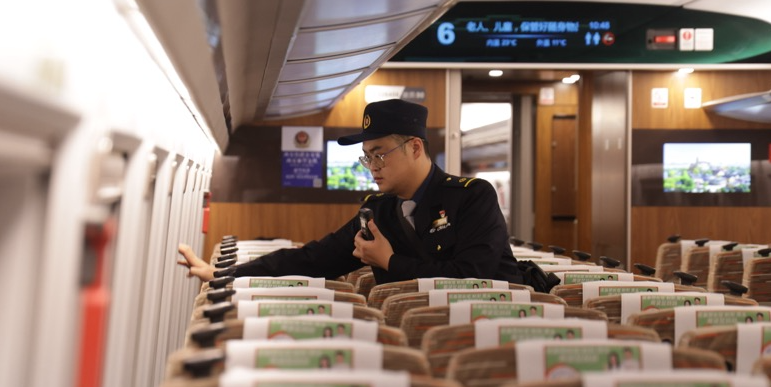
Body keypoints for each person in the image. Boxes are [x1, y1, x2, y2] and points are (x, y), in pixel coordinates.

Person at [177, 99, 520, 284]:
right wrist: (226, 274)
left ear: (415, 147)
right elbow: (315, 258)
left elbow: (473, 277)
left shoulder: (472, 197)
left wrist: (390, 262)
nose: (372, 166)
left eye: (379, 154)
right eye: (367, 156)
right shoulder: (378, 212)